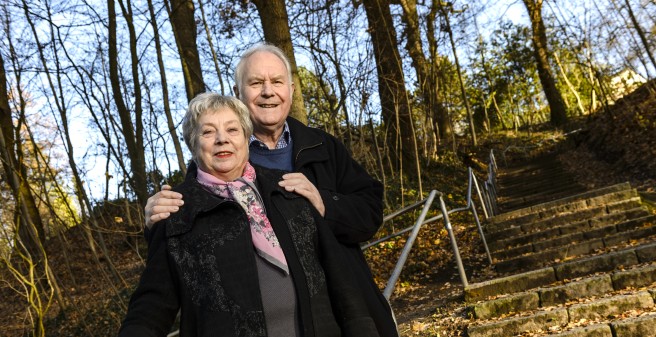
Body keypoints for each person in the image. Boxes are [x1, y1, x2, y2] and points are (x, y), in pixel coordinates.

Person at [145, 44, 398, 337]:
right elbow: (184, 238)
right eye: (255, 83)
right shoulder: (220, 163)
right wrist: (154, 221)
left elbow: (370, 212)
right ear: (238, 93)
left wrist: (325, 204)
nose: (268, 91)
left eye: (277, 82)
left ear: (290, 89)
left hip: (343, 311)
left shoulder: (323, 146)